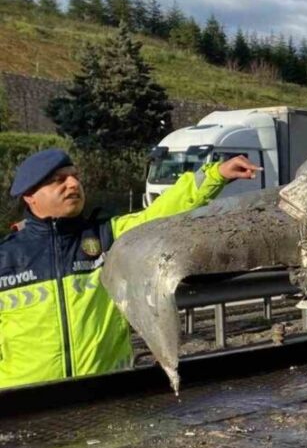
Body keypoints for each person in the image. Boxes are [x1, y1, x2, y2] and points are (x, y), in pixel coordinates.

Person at [0, 148, 259, 388]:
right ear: (30, 195)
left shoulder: (108, 236)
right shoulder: (6, 257)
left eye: (75, 177)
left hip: (107, 393)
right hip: (26, 401)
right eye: (59, 180)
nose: (73, 184)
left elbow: (161, 214)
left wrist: (215, 175)